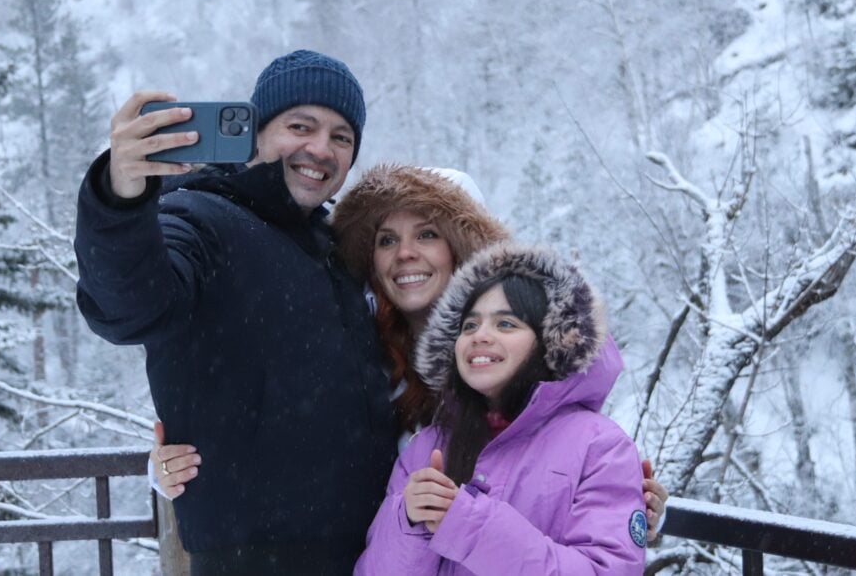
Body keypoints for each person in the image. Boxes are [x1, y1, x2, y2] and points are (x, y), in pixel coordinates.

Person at [152, 165, 670, 540]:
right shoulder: (346, 346)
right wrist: (176, 461)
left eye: (427, 234)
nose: (405, 254)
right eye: (386, 239)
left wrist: (632, 508)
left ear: (463, 245)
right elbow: (266, 410)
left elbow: (568, 450)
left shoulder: (519, 352)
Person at [74, 50, 396, 575]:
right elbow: (128, 306)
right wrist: (120, 196)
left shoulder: (339, 246)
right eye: (301, 125)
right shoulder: (199, 216)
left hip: (373, 554)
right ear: (254, 131)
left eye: (342, 136)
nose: (321, 148)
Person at [355, 241, 647, 574]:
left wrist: (473, 527)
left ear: (551, 342)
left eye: (505, 324)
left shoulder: (600, 447)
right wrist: (407, 519)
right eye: (469, 325)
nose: (480, 336)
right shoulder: (427, 448)